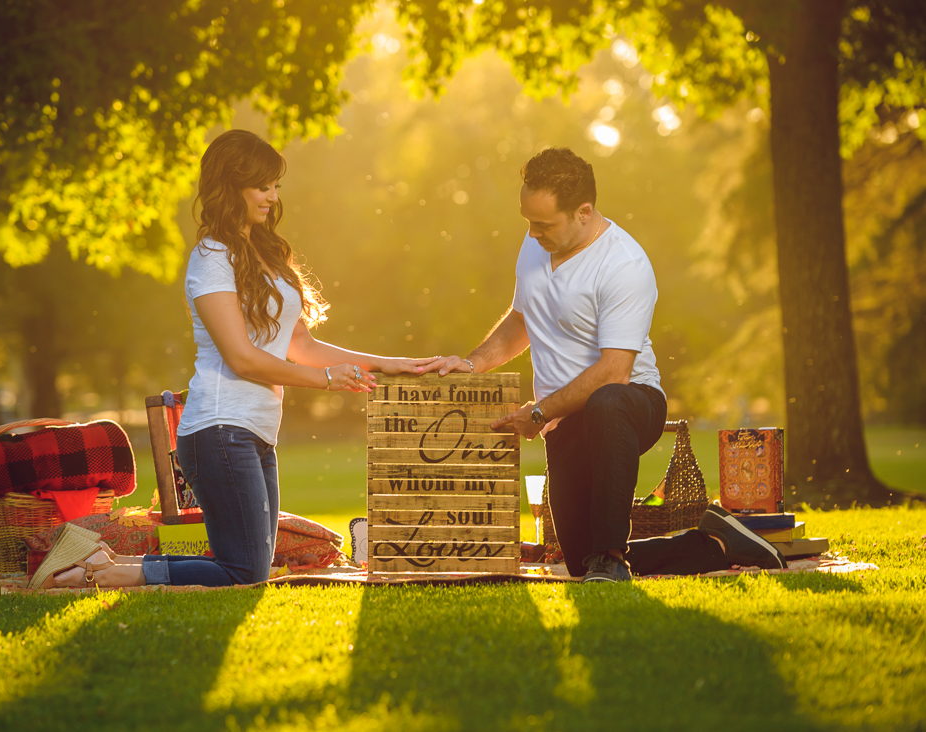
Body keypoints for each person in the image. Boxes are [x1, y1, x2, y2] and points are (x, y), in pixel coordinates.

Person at [48, 129, 439, 589]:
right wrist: (327, 381)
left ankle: (103, 567)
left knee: (251, 564)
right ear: (230, 186)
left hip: (254, 430)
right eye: (262, 186)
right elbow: (242, 359)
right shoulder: (211, 257)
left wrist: (387, 363)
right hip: (218, 428)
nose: (272, 197)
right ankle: (104, 571)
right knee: (245, 570)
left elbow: (303, 347)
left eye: (275, 186)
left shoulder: (267, 254)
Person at [429, 147, 787, 583]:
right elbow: (522, 319)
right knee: (580, 563)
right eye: (527, 221)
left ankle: (613, 557)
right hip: (564, 420)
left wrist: (539, 412)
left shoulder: (624, 265)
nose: (532, 233)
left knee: (608, 401)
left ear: (583, 212)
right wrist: (472, 364)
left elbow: (614, 371)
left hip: (630, 405)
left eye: (543, 224)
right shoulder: (536, 242)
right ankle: (716, 543)